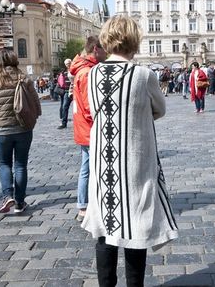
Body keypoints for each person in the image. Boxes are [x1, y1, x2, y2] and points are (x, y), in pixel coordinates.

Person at [82, 16, 178, 286]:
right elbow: (160, 109)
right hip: (135, 160)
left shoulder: (93, 75)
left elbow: (93, 108)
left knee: (105, 227)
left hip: (103, 161)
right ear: (134, 40)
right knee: (135, 225)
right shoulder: (144, 75)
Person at [0, 49, 41, 214]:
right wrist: (34, 117)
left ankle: (8, 196)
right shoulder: (24, 78)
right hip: (23, 128)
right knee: (21, 165)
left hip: (1, 130)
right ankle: (20, 203)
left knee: (4, 164)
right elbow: (35, 102)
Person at [69, 36, 107, 222]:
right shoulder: (86, 73)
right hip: (90, 128)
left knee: (88, 166)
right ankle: (83, 206)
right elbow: (89, 106)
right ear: (95, 49)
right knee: (89, 168)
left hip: (85, 127)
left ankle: (86, 204)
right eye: (105, 49)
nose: (107, 53)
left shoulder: (85, 69)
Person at [57, 58, 73, 129]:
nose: (68, 65)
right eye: (66, 64)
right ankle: (64, 123)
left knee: (78, 108)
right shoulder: (64, 72)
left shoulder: (74, 70)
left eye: (69, 63)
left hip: (74, 90)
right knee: (64, 107)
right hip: (67, 91)